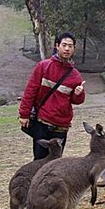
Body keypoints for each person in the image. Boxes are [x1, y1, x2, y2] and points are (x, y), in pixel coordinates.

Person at [19, 32, 86, 160]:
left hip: (61, 126)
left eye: (70, 46)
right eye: (64, 45)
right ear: (57, 46)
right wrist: (24, 114)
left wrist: (79, 94)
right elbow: (30, 91)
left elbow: (76, 101)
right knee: (39, 161)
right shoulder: (44, 66)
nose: (67, 49)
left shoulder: (75, 75)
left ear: (74, 49)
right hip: (42, 122)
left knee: (55, 163)